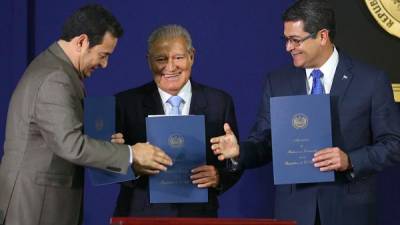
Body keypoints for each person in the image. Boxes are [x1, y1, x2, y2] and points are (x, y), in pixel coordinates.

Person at [211, 0, 400, 225]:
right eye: (286, 40)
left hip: (349, 210)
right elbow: (264, 142)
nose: (288, 48)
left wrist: (350, 160)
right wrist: (239, 151)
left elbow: (393, 144)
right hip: (294, 212)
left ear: (322, 36)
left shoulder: (371, 80)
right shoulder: (277, 82)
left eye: (295, 40)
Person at [0, 4, 172, 225]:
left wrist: (109, 145)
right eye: (103, 55)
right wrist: (131, 153)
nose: (105, 64)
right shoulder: (55, 77)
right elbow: (70, 144)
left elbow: (60, 135)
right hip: (37, 206)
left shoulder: (56, 68)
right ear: (81, 42)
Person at [113, 24, 242, 217]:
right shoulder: (125, 104)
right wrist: (132, 164)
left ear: (192, 56)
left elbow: (234, 161)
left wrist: (218, 176)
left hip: (199, 216)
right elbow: (110, 166)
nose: (170, 67)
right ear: (148, 61)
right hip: (140, 215)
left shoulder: (219, 102)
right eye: (160, 59)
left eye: (178, 58)